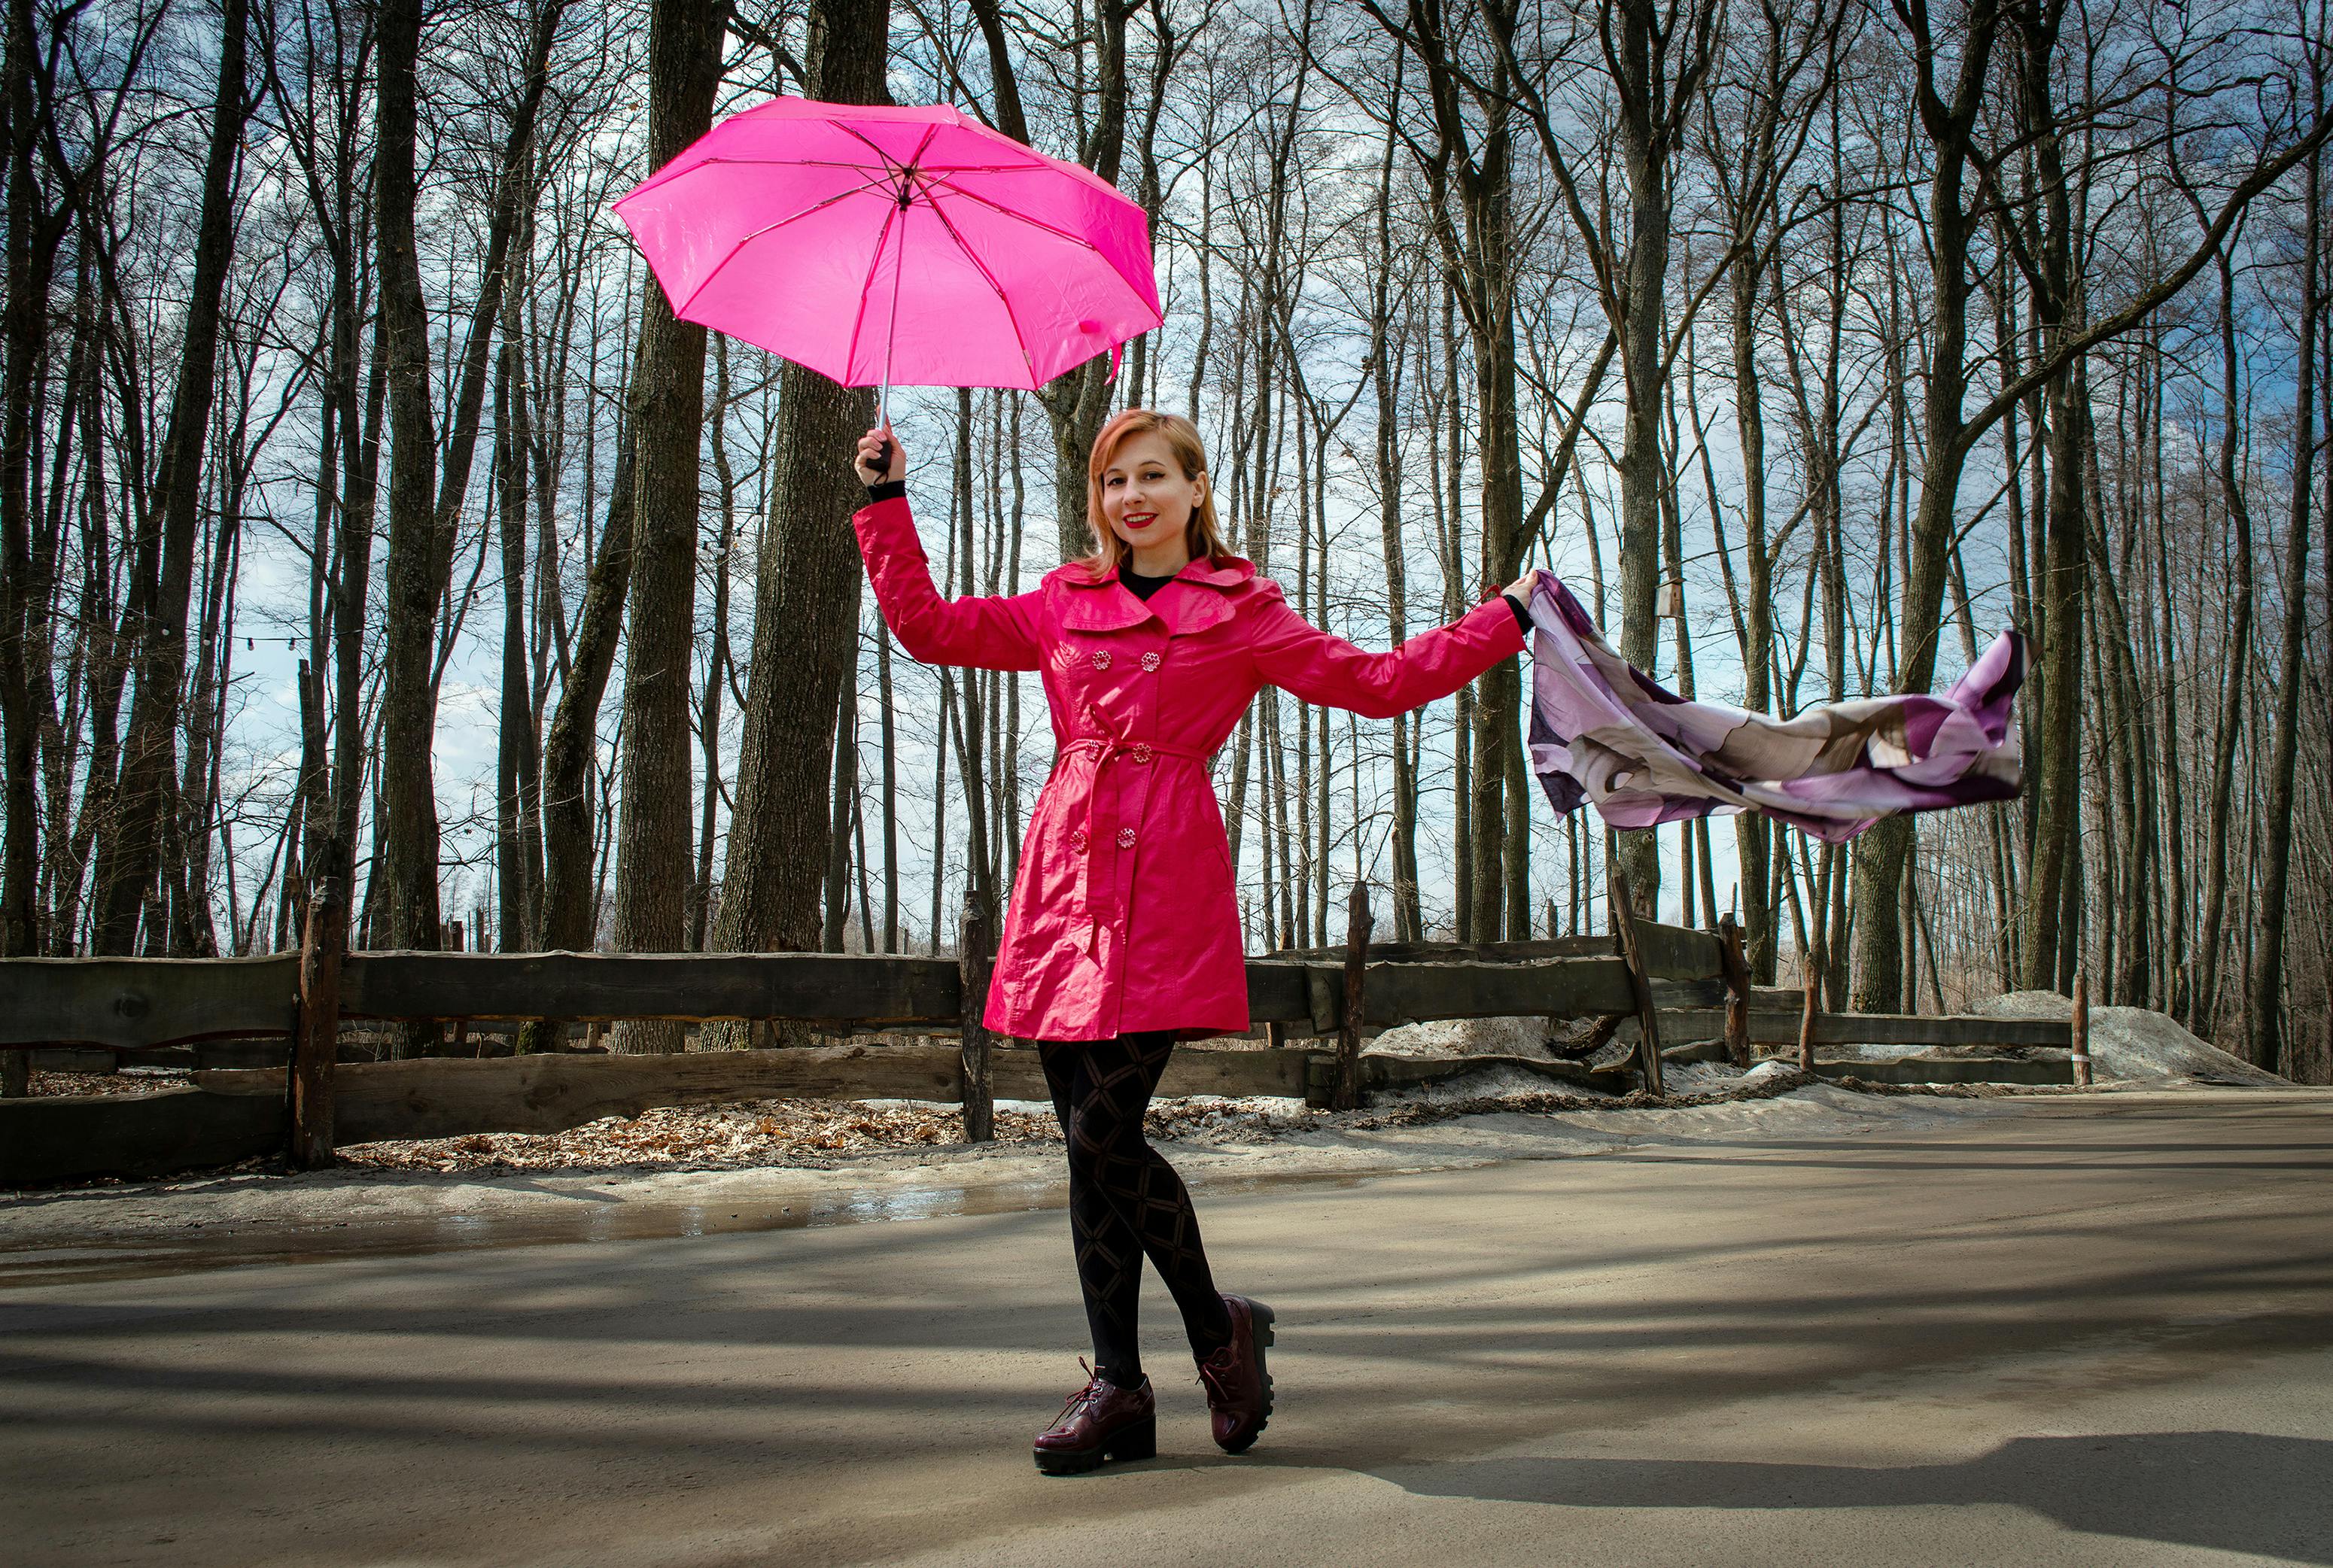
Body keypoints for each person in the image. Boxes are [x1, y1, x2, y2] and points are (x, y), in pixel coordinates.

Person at [850, 408, 1538, 1475]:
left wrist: (1506, 617)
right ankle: (1126, 1385)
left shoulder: (1243, 611)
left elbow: (1378, 684)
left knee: (1102, 1138)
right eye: (1114, 479)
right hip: (1063, 886)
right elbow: (931, 628)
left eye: (1154, 475)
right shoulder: (1061, 605)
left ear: (1196, 489)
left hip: (1166, 881)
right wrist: (885, 501)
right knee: (1089, 1148)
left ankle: (1214, 1335)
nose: (1132, 495)